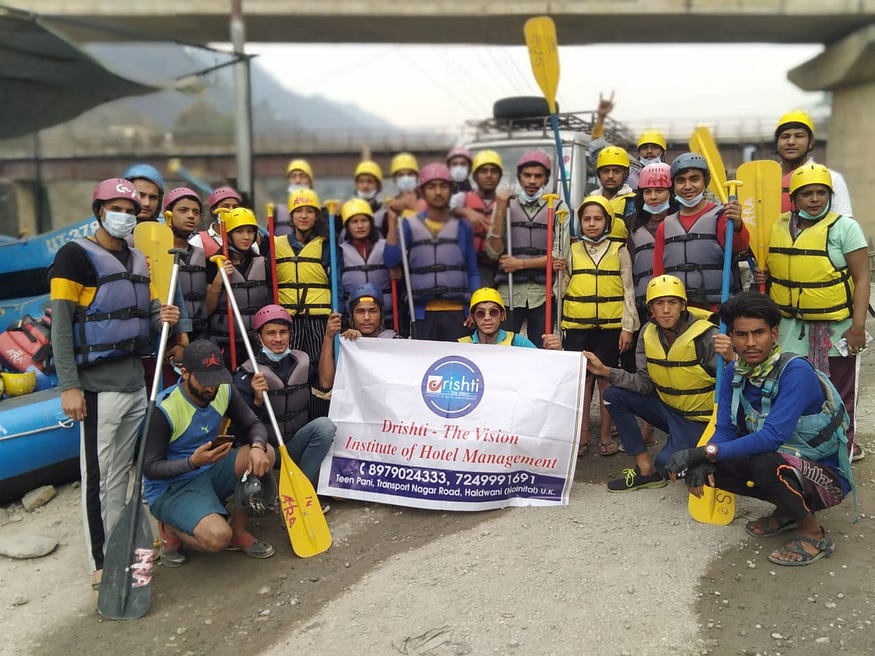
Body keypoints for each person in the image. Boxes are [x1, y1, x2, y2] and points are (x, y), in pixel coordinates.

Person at [49, 178, 180, 590]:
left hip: (134, 382)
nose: (124, 215)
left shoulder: (139, 259)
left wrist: (165, 317)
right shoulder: (74, 256)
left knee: (127, 473)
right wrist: (69, 387)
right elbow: (61, 327)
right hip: (96, 387)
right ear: (99, 211)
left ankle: (125, 545)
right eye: (116, 208)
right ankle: (101, 561)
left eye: (131, 209)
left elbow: (149, 315)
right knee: (99, 477)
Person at [665, 292, 854, 566]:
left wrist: (705, 452)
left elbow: (772, 436)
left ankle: (813, 532)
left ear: (774, 333)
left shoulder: (795, 372)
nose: (751, 343)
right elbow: (725, 428)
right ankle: (789, 511)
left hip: (826, 477)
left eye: (759, 333)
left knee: (762, 463)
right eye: (741, 335)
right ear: (731, 337)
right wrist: (706, 458)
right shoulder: (734, 372)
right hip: (786, 461)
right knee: (715, 465)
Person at [763, 163, 869, 460]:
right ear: (794, 199)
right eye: (806, 193)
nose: (814, 199)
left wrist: (858, 327)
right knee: (793, 388)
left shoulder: (845, 228)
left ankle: (842, 450)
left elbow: (862, 279)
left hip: (834, 329)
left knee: (839, 392)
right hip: (790, 328)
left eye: (821, 193)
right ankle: (803, 447)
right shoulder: (779, 225)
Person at [143, 339, 276, 566]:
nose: (211, 387)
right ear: (185, 373)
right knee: (217, 538)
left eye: (216, 379)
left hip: (210, 467)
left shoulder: (223, 389)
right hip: (172, 488)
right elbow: (150, 468)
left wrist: (256, 446)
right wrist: (192, 462)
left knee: (267, 452)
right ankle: (171, 529)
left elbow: (254, 424)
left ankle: (237, 532)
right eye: (205, 381)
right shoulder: (163, 409)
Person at [584, 275, 722, 491]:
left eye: (672, 302)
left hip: (699, 419)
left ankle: (700, 450)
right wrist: (605, 371)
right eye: (659, 303)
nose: (666, 310)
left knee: (668, 466)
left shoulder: (707, 335)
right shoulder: (647, 332)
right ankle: (645, 469)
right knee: (613, 396)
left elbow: (729, 385)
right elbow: (644, 383)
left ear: (683, 305)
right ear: (651, 309)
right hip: (669, 410)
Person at [556, 195, 638, 457]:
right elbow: (560, 291)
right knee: (582, 383)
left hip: (610, 328)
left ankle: (605, 436)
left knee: (606, 381)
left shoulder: (620, 250)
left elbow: (628, 291)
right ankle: (581, 436)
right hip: (577, 327)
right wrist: (559, 270)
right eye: (587, 219)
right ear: (580, 222)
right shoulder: (571, 250)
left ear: (607, 222)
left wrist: (627, 327)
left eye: (598, 219)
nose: (592, 224)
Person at [233, 305, 338, 492]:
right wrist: (257, 401)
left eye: (283, 332)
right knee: (258, 450)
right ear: (259, 337)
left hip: (295, 444)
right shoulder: (247, 373)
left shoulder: (301, 361)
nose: (278, 339)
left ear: (290, 334)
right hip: (266, 449)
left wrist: (329, 336)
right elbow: (239, 428)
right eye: (271, 333)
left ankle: (301, 489)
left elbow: (325, 381)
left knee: (325, 426)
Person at [384, 163, 480, 342]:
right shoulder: (409, 225)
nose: (438, 192)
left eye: (443, 186)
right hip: (421, 313)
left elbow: (472, 270)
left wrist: (475, 307)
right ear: (422, 191)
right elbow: (391, 260)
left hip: (458, 312)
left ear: (450, 190)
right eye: (432, 187)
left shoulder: (462, 226)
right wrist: (392, 221)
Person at [486, 150, 568, 348]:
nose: (532, 181)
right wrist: (500, 208)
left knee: (540, 350)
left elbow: (559, 257)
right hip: (509, 293)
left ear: (546, 179)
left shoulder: (559, 208)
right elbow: (493, 252)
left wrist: (520, 264)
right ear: (519, 177)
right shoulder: (505, 206)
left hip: (543, 294)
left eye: (538, 176)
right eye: (527, 175)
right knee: (505, 349)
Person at [652, 153, 750, 311]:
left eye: (694, 179)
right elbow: (658, 272)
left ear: (705, 181)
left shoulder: (722, 217)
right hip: (678, 312)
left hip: (717, 309)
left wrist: (737, 223)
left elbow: (739, 246)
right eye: (680, 181)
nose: (687, 186)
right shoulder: (665, 226)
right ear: (673, 186)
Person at [205, 207, 271, 369]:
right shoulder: (214, 262)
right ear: (228, 235)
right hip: (226, 342)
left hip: (256, 342)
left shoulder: (263, 263)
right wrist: (218, 281)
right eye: (239, 232)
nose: (246, 237)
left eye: (250, 231)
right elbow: (208, 309)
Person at [774, 110, 853, 217]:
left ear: (811, 142)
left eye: (799, 136)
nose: (791, 142)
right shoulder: (767, 178)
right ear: (777, 142)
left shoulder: (832, 178)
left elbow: (844, 223)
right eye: (785, 136)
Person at [630, 162, 675, 322]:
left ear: (671, 192)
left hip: (675, 299)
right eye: (647, 192)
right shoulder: (631, 226)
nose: (653, 197)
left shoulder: (681, 222)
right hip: (644, 302)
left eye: (660, 190)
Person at [339, 198, 392, 328]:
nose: (360, 226)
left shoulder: (385, 246)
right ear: (347, 226)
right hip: (353, 319)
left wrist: (398, 272)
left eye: (364, 220)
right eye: (354, 222)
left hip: (387, 316)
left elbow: (396, 263)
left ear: (371, 223)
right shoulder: (340, 251)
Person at [456, 149, 503, 288]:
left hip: (497, 265)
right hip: (468, 264)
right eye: (483, 171)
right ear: (475, 176)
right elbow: (442, 208)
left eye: (494, 171)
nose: (489, 175)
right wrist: (464, 211)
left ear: (500, 176)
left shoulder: (505, 202)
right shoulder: (462, 198)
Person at [459, 287, 561, 349]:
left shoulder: (518, 342)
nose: (487, 317)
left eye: (493, 312)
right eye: (480, 313)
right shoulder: (462, 345)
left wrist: (554, 351)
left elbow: (540, 364)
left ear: (502, 316)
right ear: (472, 318)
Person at [593, 146, 637, 243]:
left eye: (616, 171)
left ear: (625, 174)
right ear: (599, 174)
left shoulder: (633, 203)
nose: (610, 176)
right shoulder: (590, 201)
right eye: (606, 171)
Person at [190, 186, 243, 258]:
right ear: (214, 210)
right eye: (225, 206)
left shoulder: (246, 239)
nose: (231, 211)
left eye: (235, 207)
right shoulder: (198, 241)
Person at [275, 159, 316, 237]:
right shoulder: (277, 211)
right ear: (289, 181)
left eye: (302, 176)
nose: (298, 181)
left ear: (310, 181)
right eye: (293, 177)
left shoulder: (321, 211)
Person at [352, 159, 388, 234]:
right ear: (356, 185)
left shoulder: (385, 214)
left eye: (370, 181)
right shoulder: (346, 211)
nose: (365, 186)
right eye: (361, 181)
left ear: (378, 186)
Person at [385, 152, 425, 219]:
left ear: (417, 177)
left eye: (410, 174)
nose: (405, 178)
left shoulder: (427, 200)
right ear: (394, 179)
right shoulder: (390, 204)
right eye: (401, 175)